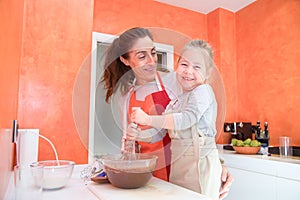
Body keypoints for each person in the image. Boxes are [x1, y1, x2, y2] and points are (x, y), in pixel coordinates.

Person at [101, 27, 233, 199]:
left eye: (153, 53)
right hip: (147, 174)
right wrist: (131, 138)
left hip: (182, 171)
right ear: (126, 61)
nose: (151, 61)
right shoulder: (125, 97)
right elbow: (129, 140)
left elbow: (199, 122)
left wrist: (217, 165)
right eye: (142, 56)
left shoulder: (176, 81)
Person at [130, 39, 227, 200]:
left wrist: (147, 119)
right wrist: (138, 135)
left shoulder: (203, 91)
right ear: (177, 66)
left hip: (200, 165)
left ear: (207, 74)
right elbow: (161, 134)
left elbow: (187, 119)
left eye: (197, 67)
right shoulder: (178, 99)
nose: (188, 71)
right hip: (179, 166)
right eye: (184, 65)